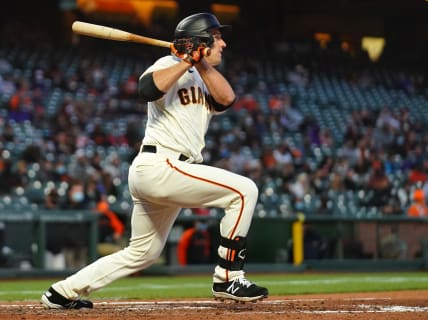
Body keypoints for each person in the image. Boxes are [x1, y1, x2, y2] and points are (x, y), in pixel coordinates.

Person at [40, 12, 268, 309]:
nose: (223, 43)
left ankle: (61, 292)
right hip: (160, 165)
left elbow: (227, 99)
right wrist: (186, 60)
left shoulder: (203, 78)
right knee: (244, 190)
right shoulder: (167, 64)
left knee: (142, 253)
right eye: (217, 38)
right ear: (200, 41)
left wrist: (197, 61)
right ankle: (228, 277)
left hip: (167, 170)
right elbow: (146, 90)